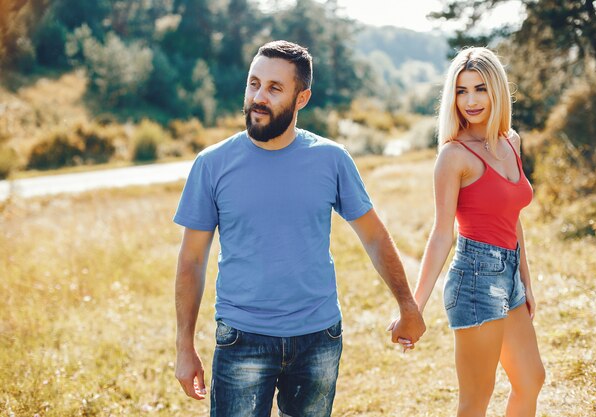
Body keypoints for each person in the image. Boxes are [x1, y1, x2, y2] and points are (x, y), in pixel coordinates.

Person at [173, 40, 425, 417]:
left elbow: (373, 235)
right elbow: (192, 259)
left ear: (301, 98)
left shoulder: (331, 159)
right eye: (254, 83)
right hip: (242, 338)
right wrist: (184, 345)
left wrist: (408, 305)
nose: (259, 96)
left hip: (318, 339)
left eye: (275, 88)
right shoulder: (212, 164)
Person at [397, 47, 545, 416]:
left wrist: (524, 280)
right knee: (476, 400)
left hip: (508, 274)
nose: (471, 100)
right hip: (475, 280)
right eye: (461, 91)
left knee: (531, 380)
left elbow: (512, 217)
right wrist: (413, 307)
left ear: (496, 89)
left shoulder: (512, 141)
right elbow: (442, 234)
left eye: (480, 88)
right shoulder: (454, 156)